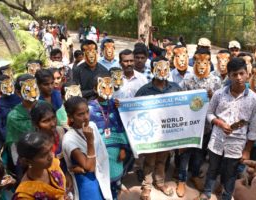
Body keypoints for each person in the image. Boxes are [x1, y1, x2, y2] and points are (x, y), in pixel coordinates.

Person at [198, 58, 256, 200]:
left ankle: (226, 196)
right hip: (216, 141)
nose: (238, 78)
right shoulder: (219, 94)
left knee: (230, 173)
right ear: (229, 76)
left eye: (241, 73)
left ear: (247, 74)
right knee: (212, 169)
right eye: (234, 74)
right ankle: (207, 192)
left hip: (237, 145)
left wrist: (247, 151)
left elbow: (253, 128)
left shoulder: (255, 99)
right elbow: (209, 113)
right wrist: (219, 123)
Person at [135, 56, 182, 200]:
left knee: (162, 159)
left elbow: (184, 108)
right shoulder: (144, 90)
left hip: (167, 133)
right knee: (150, 160)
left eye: (165, 69)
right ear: (152, 69)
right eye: (159, 69)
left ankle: (160, 182)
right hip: (151, 133)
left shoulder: (175, 87)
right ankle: (147, 186)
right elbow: (134, 110)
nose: (162, 72)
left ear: (169, 69)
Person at [177, 48, 221, 197]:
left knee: (200, 154)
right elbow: (180, 101)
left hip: (206, 126)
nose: (202, 65)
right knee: (185, 154)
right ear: (194, 61)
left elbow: (220, 103)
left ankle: (195, 175)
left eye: (205, 61)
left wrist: (213, 95)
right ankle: (182, 180)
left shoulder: (216, 81)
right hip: (189, 126)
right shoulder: (188, 80)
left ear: (209, 62)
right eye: (198, 61)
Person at [62, 96, 112, 200]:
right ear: (71, 117)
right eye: (80, 114)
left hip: (101, 175)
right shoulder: (69, 139)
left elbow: (101, 153)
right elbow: (89, 167)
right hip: (87, 182)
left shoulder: (92, 126)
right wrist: (90, 141)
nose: (86, 117)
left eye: (87, 112)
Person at [89, 74, 130, 199]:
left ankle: (115, 195)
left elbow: (122, 126)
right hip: (99, 151)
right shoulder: (89, 108)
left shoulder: (116, 105)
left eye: (110, 88)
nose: (107, 91)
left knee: (115, 180)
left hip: (115, 150)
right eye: (103, 87)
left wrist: (123, 148)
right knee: (101, 180)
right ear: (95, 89)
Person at [13, 132, 68, 199]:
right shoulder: (25, 195)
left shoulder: (53, 165)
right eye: (44, 155)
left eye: (50, 150)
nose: (50, 156)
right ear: (27, 161)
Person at [6, 74, 40, 176]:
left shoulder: (44, 106)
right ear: (18, 93)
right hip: (24, 157)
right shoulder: (14, 116)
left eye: (35, 88)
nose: (33, 94)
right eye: (28, 91)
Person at [0, 75, 21, 141]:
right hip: (12, 138)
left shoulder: (18, 97)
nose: (9, 88)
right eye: (5, 86)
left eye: (10, 85)